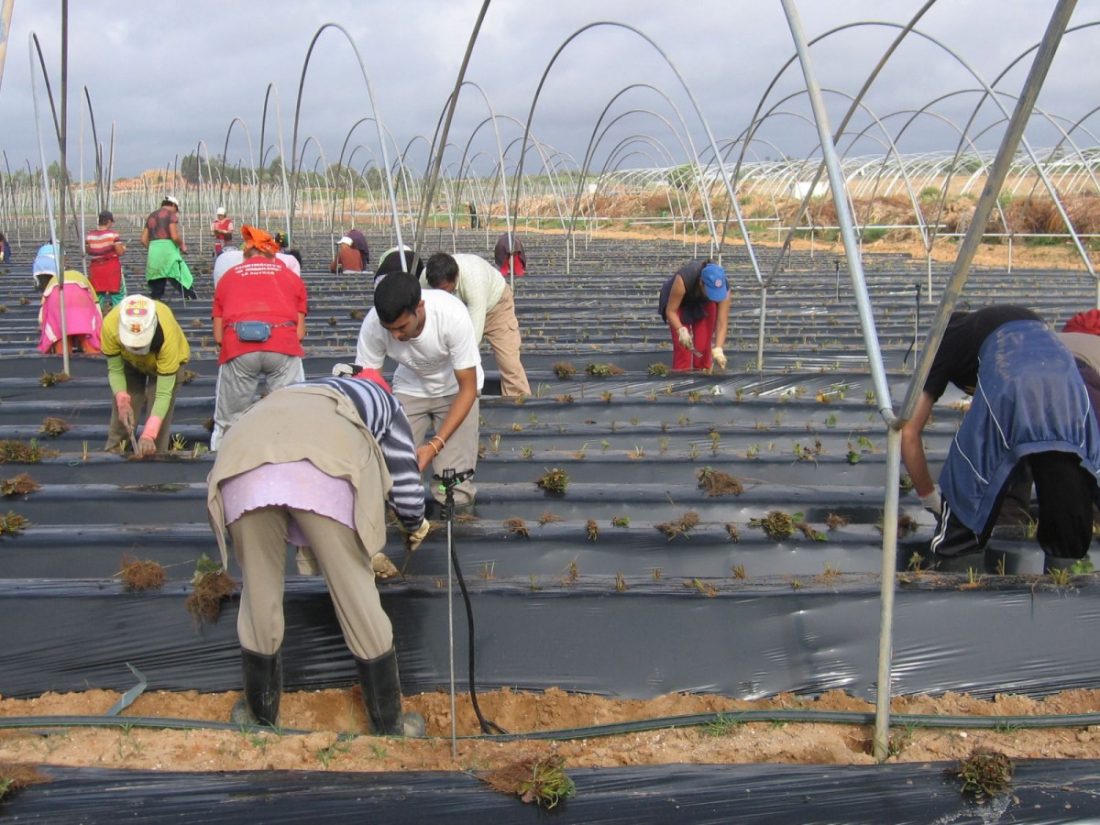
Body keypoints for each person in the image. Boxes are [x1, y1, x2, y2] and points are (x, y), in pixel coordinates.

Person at [205, 371, 431, 733]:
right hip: (321, 471)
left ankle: (260, 718)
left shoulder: (292, 391)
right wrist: (413, 522)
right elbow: (405, 484)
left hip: (242, 464)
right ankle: (390, 726)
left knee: (258, 592)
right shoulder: (386, 404)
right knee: (356, 592)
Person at [901, 305, 1100, 572]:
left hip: (1011, 379)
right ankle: (1064, 580)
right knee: (1065, 478)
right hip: (1067, 387)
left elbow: (909, 431)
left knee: (970, 490)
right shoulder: (1020, 320)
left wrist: (929, 497)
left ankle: (955, 567)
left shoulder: (944, 341)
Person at [356, 272, 482, 508]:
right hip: (410, 388)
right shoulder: (373, 325)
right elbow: (369, 384)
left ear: (419, 307)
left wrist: (434, 446)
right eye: (389, 328)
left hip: (455, 390)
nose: (395, 335)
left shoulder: (451, 315)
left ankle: (454, 525)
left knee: (452, 481)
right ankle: (405, 522)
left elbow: (468, 388)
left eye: (402, 327)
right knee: (392, 472)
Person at [210, 225, 308, 450]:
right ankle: (287, 459)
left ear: (245, 254)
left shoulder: (229, 277)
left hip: (239, 346)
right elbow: (299, 333)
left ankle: (222, 461)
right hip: (282, 346)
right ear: (273, 254)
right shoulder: (290, 277)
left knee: (230, 420)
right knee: (289, 415)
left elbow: (218, 335)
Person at [423, 252, 531, 397]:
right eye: (437, 291)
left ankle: (519, 402)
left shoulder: (474, 282)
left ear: (455, 278)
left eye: (445, 289)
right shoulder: (425, 280)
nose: (442, 294)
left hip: (496, 307)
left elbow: (473, 338)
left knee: (508, 361)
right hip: (453, 314)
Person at [101, 294, 191, 456]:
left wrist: (149, 433)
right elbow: (115, 370)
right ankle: (115, 453)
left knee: (156, 426)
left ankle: (154, 462)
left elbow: (163, 394)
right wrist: (122, 399)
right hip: (129, 363)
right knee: (124, 416)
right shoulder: (110, 325)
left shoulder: (167, 337)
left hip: (164, 366)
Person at [658, 260, 731, 372]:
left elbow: (722, 321)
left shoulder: (724, 287)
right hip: (678, 303)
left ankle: (703, 374)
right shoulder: (683, 280)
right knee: (683, 347)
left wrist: (719, 348)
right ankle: (682, 379)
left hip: (703, 302)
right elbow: (671, 311)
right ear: (701, 283)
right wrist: (680, 330)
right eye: (711, 291)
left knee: (703, 345)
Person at [141, 196, 196, 300]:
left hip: (154, 253)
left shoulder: (152, 216)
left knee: (157, 286)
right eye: (176, 210)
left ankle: (156, 309)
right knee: (180, 277)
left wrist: (154, 249)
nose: (176, 212)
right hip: (168, 253)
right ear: (173, 205)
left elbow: (143, 240)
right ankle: (191, 299)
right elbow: (174, 236)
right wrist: (182, 245)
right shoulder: (171, 215)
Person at [37, 269, 102, 355]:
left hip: (57, 302)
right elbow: (95, 302)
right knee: (86, 329)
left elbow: (44, 304)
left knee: (60, 332)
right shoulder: (81, 276)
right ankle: (93, 354)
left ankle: (62, 355)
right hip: (81, 301)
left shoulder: (54, 279)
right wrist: (99, 322)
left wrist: (43, 324)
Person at [85, 210, 127, 310]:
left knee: (97, 297)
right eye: (111, 222)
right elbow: (120, 252)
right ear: (108, 221)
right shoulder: (113, 235)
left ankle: (98, 318)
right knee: (118, 295)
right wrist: (123, 248)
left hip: (96, 270)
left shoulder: (90, 235)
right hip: (111, 269)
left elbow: (89, 251)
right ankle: (117, 317)